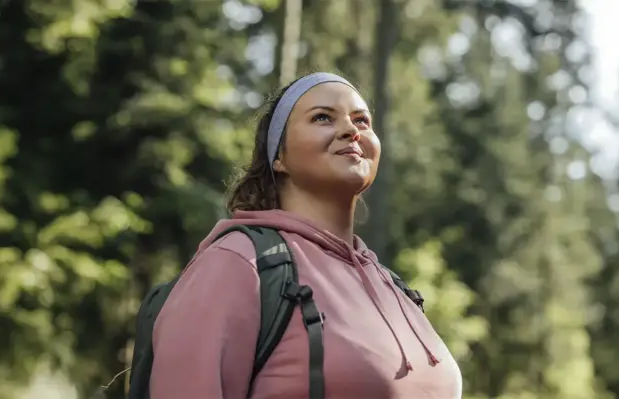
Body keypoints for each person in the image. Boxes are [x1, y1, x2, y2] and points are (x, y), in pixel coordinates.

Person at [148, 72, 462, 398]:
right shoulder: (240, 263)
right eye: (323, 117)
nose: (350, 131)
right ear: (279, 157)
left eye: (362, 121)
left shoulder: (394, 287)